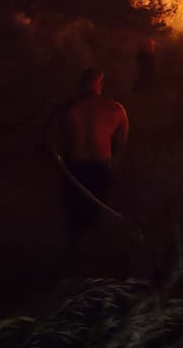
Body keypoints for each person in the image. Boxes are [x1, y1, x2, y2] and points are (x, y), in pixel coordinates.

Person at [47, 68, 130, 232]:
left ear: (81, 84)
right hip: (101, 167)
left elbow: (54, 140)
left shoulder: (66, 110)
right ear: (101, 84)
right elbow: (121, 143)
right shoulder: (115, 109)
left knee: (75, 218)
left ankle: (77, 251)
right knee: (99, 216)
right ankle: (97, 250)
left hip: (73, 169)